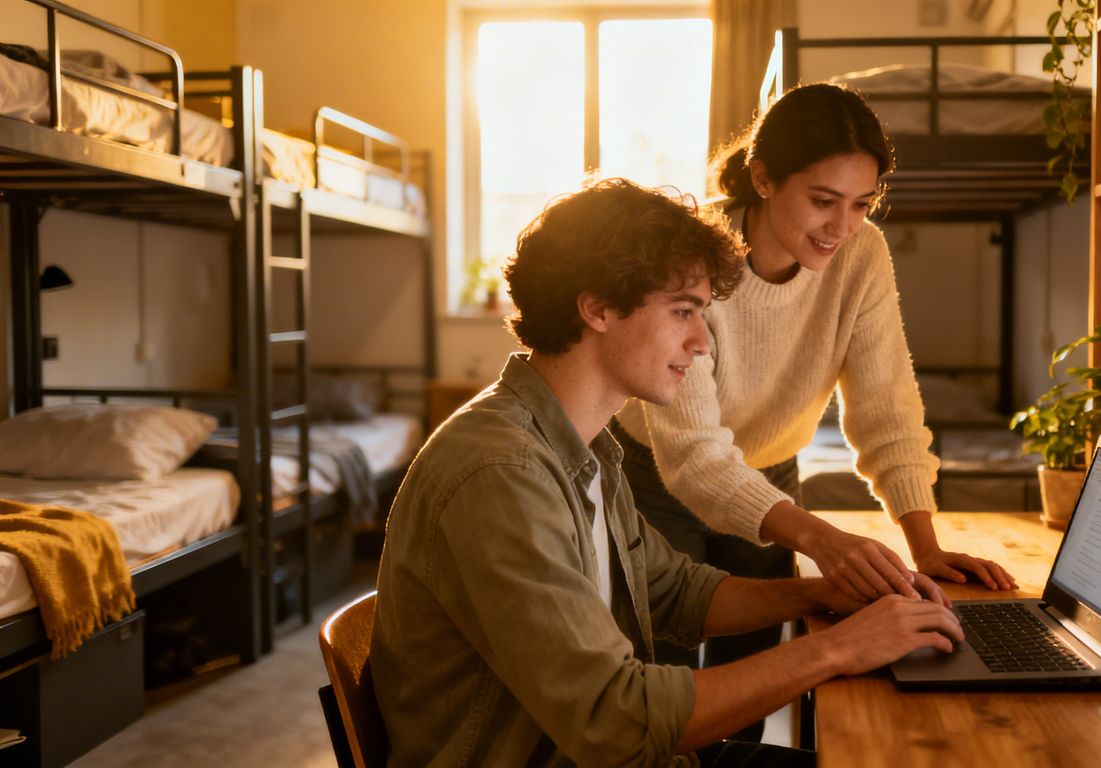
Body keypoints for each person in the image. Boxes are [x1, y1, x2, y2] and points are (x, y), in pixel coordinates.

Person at [370, 179, 963, 768]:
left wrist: (821, 593)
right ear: (597, 307)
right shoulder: (501, 472)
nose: (703, 343)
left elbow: (675, 592)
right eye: (684, 311)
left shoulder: (585, 448)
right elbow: (617, 720)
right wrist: (840, 649)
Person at [611, 84, 1017, 688]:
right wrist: (823, 539)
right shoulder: (691, 256)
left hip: (770, 471)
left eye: (862, 203)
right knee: (659, 680)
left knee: (755, 679)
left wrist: (924, 546)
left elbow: (889, 408)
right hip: (655, 474)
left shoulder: (863, 256)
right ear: (764, 178)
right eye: (824, 200)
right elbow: (695, 458)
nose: (843, 227)